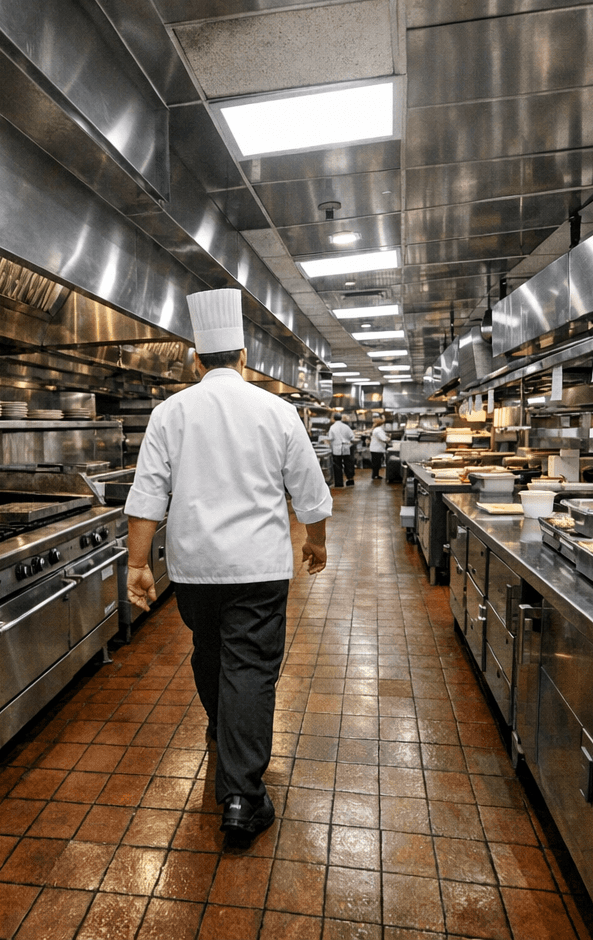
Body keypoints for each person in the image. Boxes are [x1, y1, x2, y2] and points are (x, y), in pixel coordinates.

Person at [124, 288, 332, 839]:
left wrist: (137, 566)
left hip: (194, 570)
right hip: (259, 569)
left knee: (209, 650)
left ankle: (224, 727)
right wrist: (317, 542)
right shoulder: (277, 411)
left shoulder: (170, 412)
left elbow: (147, 495)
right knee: (251, 667)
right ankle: (242, 798)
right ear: (243, 360)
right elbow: (309, 490)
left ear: (196, 361)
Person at [327, 412, 355, 487]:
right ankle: (350, 480)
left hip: (336, 448)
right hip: (346, 447)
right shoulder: (346, 427)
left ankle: (339, 483)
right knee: (348, 464)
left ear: (333, 419)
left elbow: (330, 438)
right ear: (341, 418)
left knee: (337, 465)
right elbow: (352, 437)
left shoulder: (332, 427)